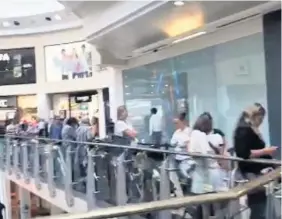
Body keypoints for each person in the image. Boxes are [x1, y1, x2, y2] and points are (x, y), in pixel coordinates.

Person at [234, 103, 277, 219]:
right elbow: (244, 153)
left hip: (258, 170)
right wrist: (266, 151)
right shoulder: (243, 130)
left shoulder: (250, 129)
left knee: (261, 204)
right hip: (252, 172)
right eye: (260, 118)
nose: (262, 121)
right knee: (258, 205)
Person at [75, 117, 94, 192]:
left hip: (79, 148)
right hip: (85, 149)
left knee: (81, 166)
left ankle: (82, 182)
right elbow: (90, 138)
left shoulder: (78, 129)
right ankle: (87, 183)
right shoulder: (88, 129)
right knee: (86, 165)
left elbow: (76, 138)